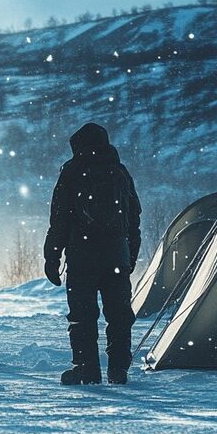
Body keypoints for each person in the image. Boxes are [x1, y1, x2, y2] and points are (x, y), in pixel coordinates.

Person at [44, 123, 141, 385]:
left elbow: (60, 218)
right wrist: (129, 255)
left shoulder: (72, 171)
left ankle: (86, 369)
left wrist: (52, 257)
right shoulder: (119, 172)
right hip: (116, 254)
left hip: (82, 255)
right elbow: (134, 217)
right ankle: (118, 369)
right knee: (119, 314)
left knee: (82, 316)